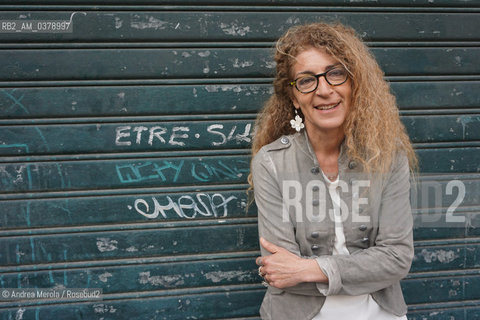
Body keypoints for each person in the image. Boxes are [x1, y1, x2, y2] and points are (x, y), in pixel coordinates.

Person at [249, 22, 418, 320]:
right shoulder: (270, 163)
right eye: (306, 81)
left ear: (355, 83)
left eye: (336, 74)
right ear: (294, 98)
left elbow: (397, 258)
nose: (324, 90)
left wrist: (306, 269)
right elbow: (279, 272)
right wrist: (364, 270)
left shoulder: (388, 157)